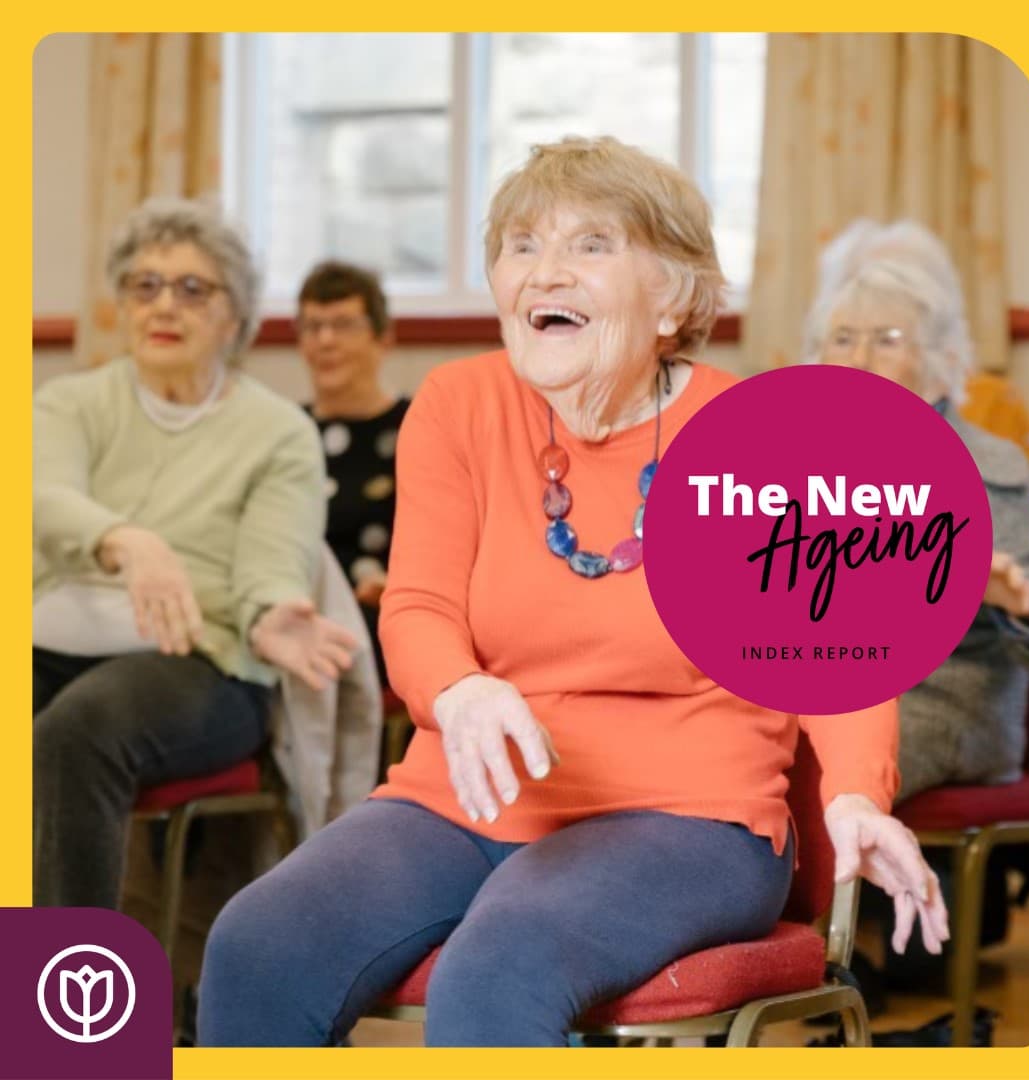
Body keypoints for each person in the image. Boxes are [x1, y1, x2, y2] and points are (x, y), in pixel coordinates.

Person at [198, 137, 948, 1048]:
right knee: (257, 944)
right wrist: (460, 690)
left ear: (673, 296)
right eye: (521, 244)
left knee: (504, 959)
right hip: (469, 796)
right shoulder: (459, 404)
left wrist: (859, 797)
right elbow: (419, 605)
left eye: (591, 245)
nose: (544, 271)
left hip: (690, 817)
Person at [33, 196, 358, 910]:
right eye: (144, 285)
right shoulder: (69, 403)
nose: (164, 305)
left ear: (233, 317)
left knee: (74, 733)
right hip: (48, 639)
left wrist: (271, 613)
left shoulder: (277, 434)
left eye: (191, 288)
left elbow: (274, 559)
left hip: (203, 661)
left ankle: (62, 1016)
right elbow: (39, 493)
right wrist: (128, 542)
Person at [803, 221, 1029, 801]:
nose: (859, 358)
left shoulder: (987, 464)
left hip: (944, 700)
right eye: (841, 339)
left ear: (941, 360)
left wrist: (1022, 599)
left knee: (809, 766)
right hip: (819, 692)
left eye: (887, 339)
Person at [296, 261, 409, 686]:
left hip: (380, 610)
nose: (325, 340)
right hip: (297, 607)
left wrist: (397, 586)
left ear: (383, 338)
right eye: (312, 326)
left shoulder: (418, 427)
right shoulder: (285, 432)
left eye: (343, 324)